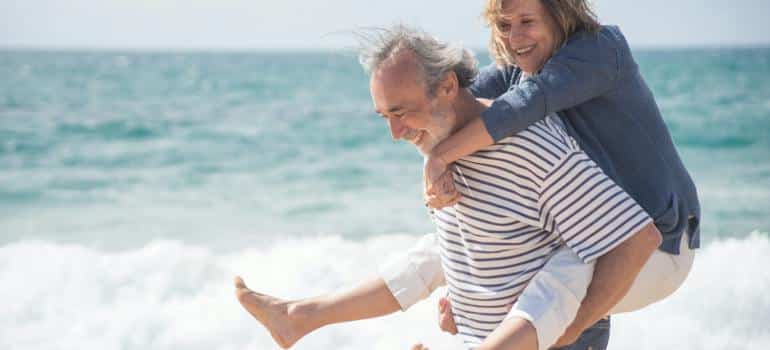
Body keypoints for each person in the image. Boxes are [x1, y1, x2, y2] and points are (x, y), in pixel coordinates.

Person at [233, 26, 677, 350]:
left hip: (557, 343)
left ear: (448, 86)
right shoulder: (442, 153)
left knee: (572, 263)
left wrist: (576, 327)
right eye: (384, 116)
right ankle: (301, 316)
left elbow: (639, 237)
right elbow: (472, 253)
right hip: (481, 339)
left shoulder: (530, 147)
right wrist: (462, 305)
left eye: (401, 112)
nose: (394, 132)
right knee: (431, 253)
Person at [421, 0, 700, 346]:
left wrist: (439, 156)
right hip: (595, 240)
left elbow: (526, 103)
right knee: (444, 256)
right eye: (505, 26)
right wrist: (464, 298)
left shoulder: (601, 49)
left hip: (660, 243)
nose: (515, 37)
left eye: (527, 21)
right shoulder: (517, 70)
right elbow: (454, 111)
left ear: (559, 15)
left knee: (540, 282)